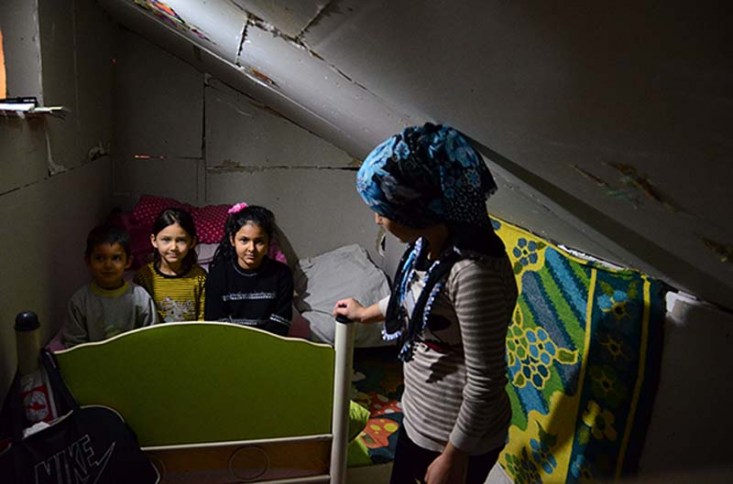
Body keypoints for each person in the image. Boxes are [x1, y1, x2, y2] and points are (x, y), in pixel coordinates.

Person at [333, 123, 518, 484]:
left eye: (383, 210)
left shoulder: (473, 274)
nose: (378, 218)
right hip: (420, 419)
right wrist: (365, 313)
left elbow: (486, 381)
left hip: (453, 439)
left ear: (415, 210)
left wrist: (454, 456)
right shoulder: (430, 245)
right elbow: (415, 298)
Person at [204, 203, 294, 336]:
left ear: (269, 242)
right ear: (232, 240)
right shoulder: (218, 275)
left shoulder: (282, 275)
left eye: (259, 242)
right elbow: (216, 322)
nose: (251, 248)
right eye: (244, 240)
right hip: (229, 343)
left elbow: (281, 322)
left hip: (269, 343)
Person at [62, 225, 157, 348]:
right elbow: (74, 346)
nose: (108, 265)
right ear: (88, 261)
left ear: (128, 262)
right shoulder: (80, 302)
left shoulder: (140, 297)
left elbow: (152, 338)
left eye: (116, 258)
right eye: (100, 258)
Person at [134, 207, 207, 322]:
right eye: (166, 240)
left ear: (192, 242)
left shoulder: (199, 277)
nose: (173, 247)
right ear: (154, 240)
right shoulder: (144, 276)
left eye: (181, 240)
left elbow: (203, 319)